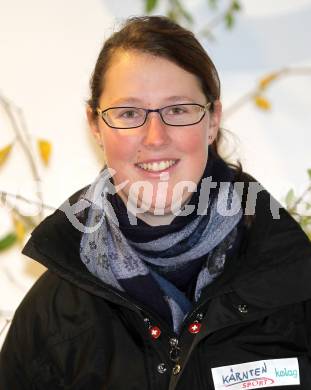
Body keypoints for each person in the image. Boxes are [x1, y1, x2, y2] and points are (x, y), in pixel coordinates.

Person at [1, 15, 311, 390]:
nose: (154, 137)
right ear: (95, 125)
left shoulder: (295, 283)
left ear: (212, 120)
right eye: (129, 113)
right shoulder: (52, 317)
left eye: (177, 109)